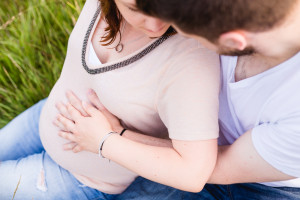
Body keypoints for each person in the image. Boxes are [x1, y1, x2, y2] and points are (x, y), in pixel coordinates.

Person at [0, 0, 220, 199]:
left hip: (84, 179)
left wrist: (104, 141)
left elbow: (194, 172)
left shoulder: (192, 59)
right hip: (44, 115)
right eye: (135, 9)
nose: (154, 25)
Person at [114, 0, 300, 199]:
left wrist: (115, 136)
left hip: (269, 186)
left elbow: (205, 168)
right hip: (195, 151)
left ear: (233, 41)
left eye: (195, 39)